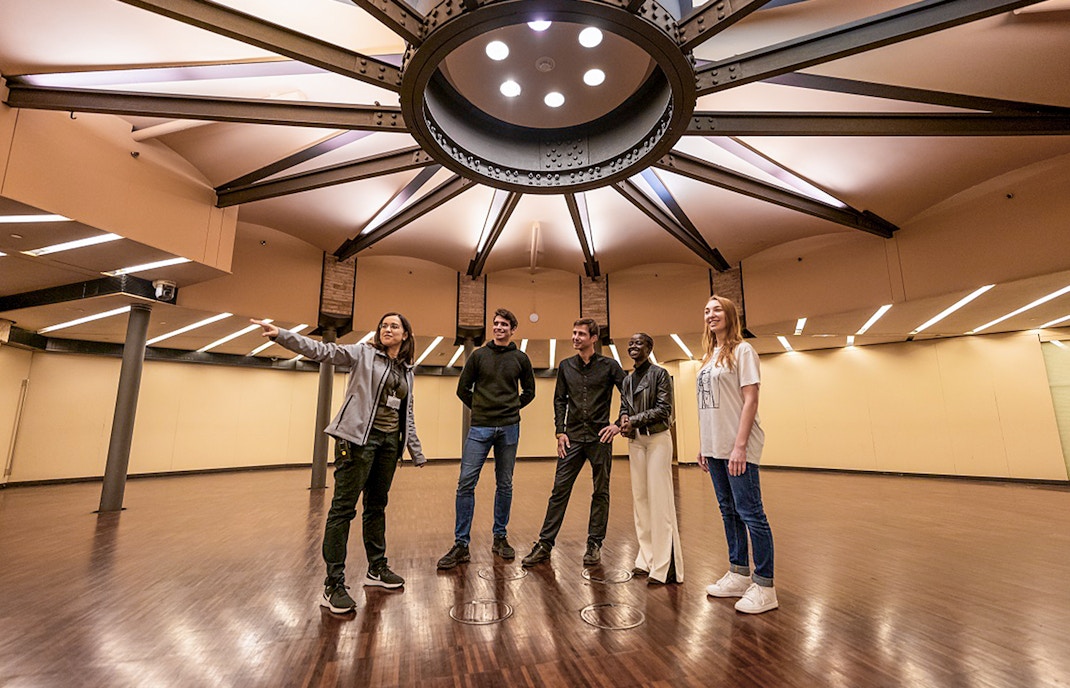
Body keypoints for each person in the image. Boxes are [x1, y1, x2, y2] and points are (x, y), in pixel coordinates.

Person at [251, 314, 426, 615]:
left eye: (394, 326)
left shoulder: (406, 371)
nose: (387, 329)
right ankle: (333, 585)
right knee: (343, 509)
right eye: (383, 324)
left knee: (376, 506)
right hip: (356, 441)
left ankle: (377, 569)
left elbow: (406, 414)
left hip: (387, 445)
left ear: (406, 335)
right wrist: (281, 334)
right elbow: (324, 351)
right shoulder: (363, 354)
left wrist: (414, 450)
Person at [696, 295, 778, 614]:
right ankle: (739, 573)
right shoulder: (708, 356)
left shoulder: (743, 351)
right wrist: (704, 443)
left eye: (717, 309)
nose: (711, 314)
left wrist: (740, 445)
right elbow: (707, 405)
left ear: (730, 315)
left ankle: (765, 585)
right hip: (715, 447)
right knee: (727, 510)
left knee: (750, 512)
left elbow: (751, 400)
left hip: (737, 446)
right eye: (706, 310)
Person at [437, 308, 536, 569]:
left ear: (513, 329)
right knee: (466, 483)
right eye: (496, 324)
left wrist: (511, 408)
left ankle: (500, 537)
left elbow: (530, 391)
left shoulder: (520, 358)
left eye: (504, 324)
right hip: (479, 428)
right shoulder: (479, 356)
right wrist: (480, 408)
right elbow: (462, 389)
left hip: (509, 428)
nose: (499, 328)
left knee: (505, 483)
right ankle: (461, 544)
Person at [522, 318, 625, 568]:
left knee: (600, 492)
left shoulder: (611, 366)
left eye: (581, 334)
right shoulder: (566, 366)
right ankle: (545, 544)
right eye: (574, 332)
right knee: (559, 491)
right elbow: (559, 400)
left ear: (593, 338)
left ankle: (594, 544)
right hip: (573, 437)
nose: (575, 337)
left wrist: (619, 424)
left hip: (601, 437)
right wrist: (560, 431)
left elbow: (629, 395)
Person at [619, 332, 683, 585]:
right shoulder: (627, 379)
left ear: (649, 347)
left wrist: (633, 420)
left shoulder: (660, 375)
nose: (633, 346)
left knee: (659, 500)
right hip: (636, 442)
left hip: (657, 440)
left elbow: (664, 410)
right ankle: (646, 557)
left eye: (639, 343)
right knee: (641, 499)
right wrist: (624, 420)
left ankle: (664, 565)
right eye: (630, 343)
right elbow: (625, 406)